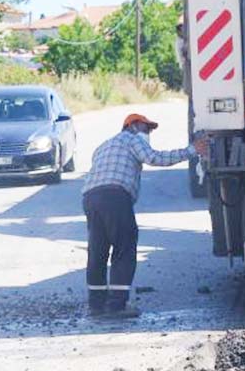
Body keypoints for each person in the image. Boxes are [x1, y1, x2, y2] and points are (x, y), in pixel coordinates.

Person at [82, 113, 206, 318]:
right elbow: (155, 158)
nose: (148, 133)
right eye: (146, 128)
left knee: (98, 251)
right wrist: (192, 150)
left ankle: (96, 305)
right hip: (115, 196)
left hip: (90, 197)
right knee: (124, 247)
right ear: (132, 126)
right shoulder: (132, 139)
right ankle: (117, 305)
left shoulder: (103, 146)